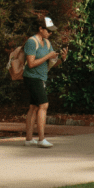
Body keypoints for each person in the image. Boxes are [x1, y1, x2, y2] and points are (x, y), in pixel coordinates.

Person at [23, 16, 59, 148]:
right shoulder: (32, 42)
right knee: (44, 105)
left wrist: (62, 58)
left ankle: (28, 140)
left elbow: (52, 63)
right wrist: (48, 56)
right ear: (40, 29)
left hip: (41, 77)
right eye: (48, 30)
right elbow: (31, 63)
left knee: (33, 107)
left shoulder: (47, 43)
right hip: (32, 77)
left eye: (51, 31)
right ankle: (41, 139)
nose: (50, 33)